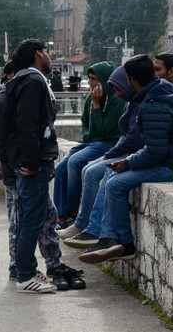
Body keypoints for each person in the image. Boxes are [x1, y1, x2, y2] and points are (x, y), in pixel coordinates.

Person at [78, 55, 173, 264]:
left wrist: (129, 162)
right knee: (111, 173)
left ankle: (125, 244)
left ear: (132, 79)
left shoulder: (152, 104)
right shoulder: (168, 93)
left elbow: (155, 152)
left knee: (115, 184)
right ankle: (108, 237)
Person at [0, 62, 86, 291]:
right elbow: (6, 140)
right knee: (22, 221)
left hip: (27, 167)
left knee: (46, 216)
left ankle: (51, 263)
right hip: (18, 171)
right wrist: (15, 168)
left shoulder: (13, 96)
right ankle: (20, 269)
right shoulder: (6, 99)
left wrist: (44, 161)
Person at [59, 66, 140, 248]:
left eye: (95, 79)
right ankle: (84, 224)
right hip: (117, 148)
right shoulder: (131, 102)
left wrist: (129, 159)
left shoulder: (123, 102)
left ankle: (101, 232)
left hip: (150, 157)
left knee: (102, 176)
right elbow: (89, 129)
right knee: (79, 169)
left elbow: (107, 133)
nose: (92, 84)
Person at [4, 38, 59, 293]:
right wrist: (33, 161)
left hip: (24, 160)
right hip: (30, 163)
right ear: (38, 54)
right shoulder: (34, 81)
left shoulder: (20, 81)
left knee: (29, 218)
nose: (49, 56)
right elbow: (28, 124)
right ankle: (26, 275)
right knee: (32, 220)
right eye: (46, 51)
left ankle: (25, 270)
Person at [53, 61, 125, 229]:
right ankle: (60, 216)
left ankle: (72, 213)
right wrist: (88, 133)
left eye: (95, 79)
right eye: (90, 78)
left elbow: (104, 130)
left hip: (108, 143)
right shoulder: (90, 98)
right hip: (92, 142)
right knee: (61, 168)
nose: (92, 83)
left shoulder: (116, 101)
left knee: (75, 162)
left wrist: (97, 105)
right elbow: (85, 124)